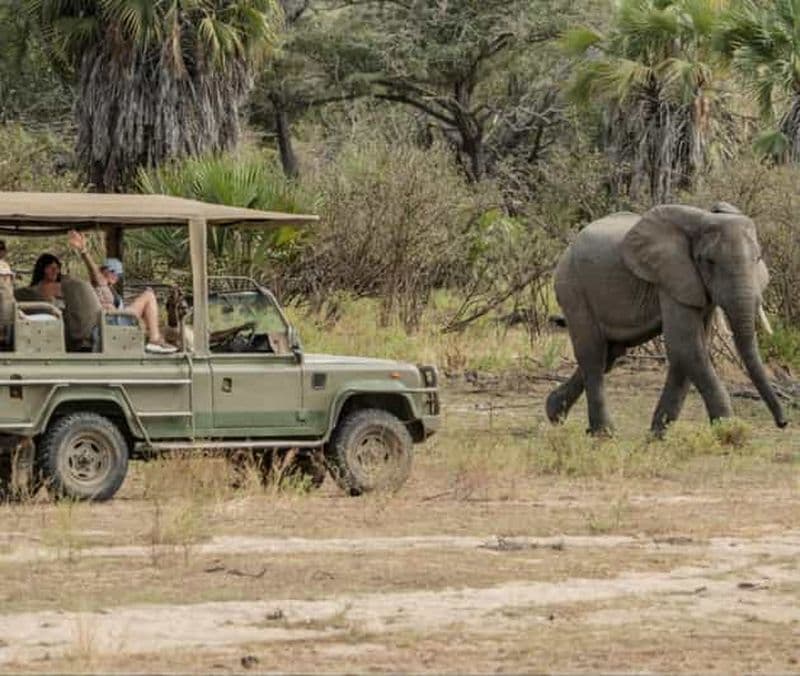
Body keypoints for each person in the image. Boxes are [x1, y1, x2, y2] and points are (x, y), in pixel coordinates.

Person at [67, 230, 177, 354]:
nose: (116, 276)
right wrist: (84, 251)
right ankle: (154, 340)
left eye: (118, 274)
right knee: (148, 295)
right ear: (104, 271)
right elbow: (94, 271)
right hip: (110, 322)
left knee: (149, 305)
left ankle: (153, 338)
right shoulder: (99, 283)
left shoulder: (111, 289)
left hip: (117, 317)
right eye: (113, 272)